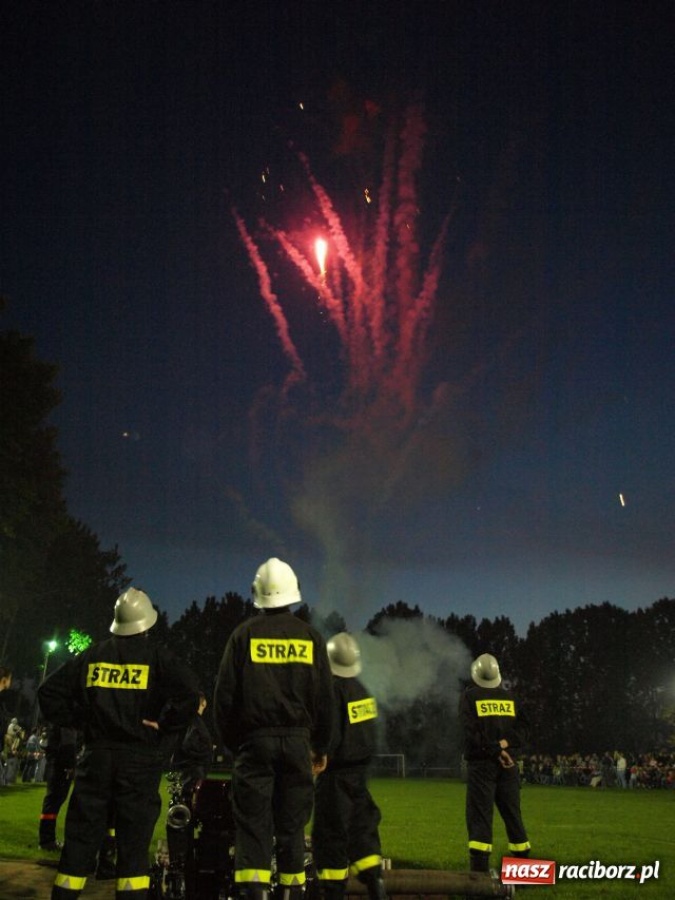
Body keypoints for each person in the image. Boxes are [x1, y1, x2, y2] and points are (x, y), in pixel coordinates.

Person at [38, 587, 201, 900]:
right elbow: (190, 693)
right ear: (147, 623)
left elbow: (48, 693)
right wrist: (165, 726)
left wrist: (81, 721)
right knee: (133, 849)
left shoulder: (93, 655)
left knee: (78, 846)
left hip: (95, 759)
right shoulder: (156, 657)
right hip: (139, 762)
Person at [214, 558, 334, 900]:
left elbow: (223, 699)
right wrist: (320, 746)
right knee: (292, 828)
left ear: (258, 594)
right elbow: (325, 700)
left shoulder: (243, 635)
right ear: (293, 592)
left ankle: (254, 892)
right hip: (298, 744)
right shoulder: (311, 637)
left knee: (253, 828)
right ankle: (291, 892)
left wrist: (236, 744)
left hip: (254, 743)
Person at [312, 632, 387, 900]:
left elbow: (329, 733)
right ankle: (376, 883)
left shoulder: (331, 691)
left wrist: (318, 753)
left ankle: (332, 892)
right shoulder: (363, 690)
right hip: (360, 776)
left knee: (330, 834)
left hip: (335, 776)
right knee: (362, 831)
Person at [459, 653, 531, 874]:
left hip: (482, 765)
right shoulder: (512, 698)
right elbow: (523, 730)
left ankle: (479, 876)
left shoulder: (469, 697)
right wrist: (504, 746)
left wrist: (495, 749)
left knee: (480, 817)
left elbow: (471, 734)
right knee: (513, 816)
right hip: (509, 765)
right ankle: (523, 874)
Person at [171, 692, 213, 797]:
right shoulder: (195, 721)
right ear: (204, 703)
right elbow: (188, 744)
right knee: (190, 800)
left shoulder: (189, 720)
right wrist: (207, 749)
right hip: (193, 771)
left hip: (191, 770)